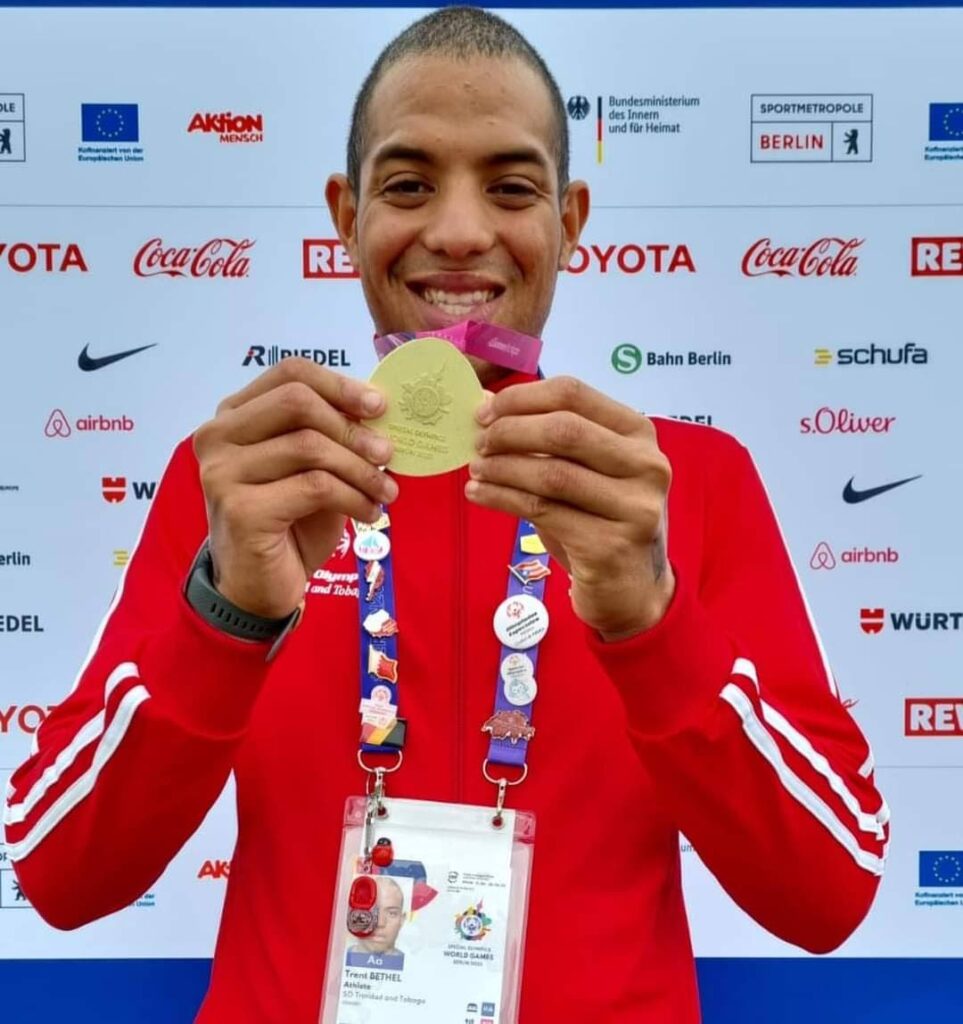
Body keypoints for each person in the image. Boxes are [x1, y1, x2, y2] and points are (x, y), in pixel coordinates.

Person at [4, 7, 888, 1023]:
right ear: (345, 215)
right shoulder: (254, 480)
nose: (461, 231)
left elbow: (831, 892)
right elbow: (60, 875)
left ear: (570, 220)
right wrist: (229, 615)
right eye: (408, 183)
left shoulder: (681, 481)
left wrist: (653, 622)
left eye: (511, 187)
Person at [347, 876, 406, 959]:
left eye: (391, 913)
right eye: (370, 911)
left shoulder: (415, 966)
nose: (379, 923)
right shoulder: (335, 961)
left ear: (402, 920)